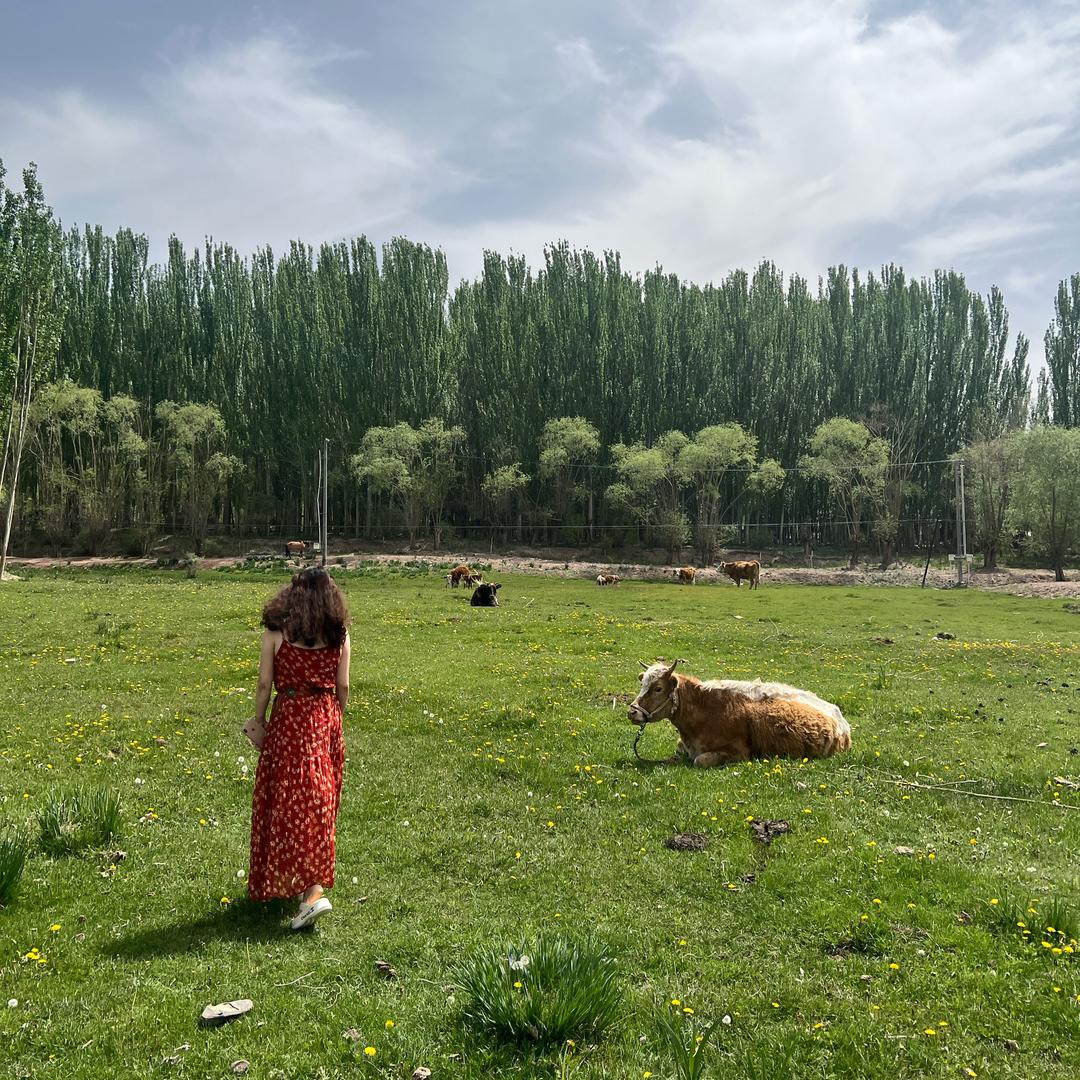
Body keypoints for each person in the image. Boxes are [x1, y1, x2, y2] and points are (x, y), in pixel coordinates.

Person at [248, 567, 351, 929]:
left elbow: (264, 684)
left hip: (290, 717)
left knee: (286, 800)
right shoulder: (339, 635)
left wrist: (258, 721)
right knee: (319, 801)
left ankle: (309, 891)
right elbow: (344, 688)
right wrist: (336, 721)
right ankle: (311, 889)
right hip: (325, 718)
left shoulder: (276, 633)